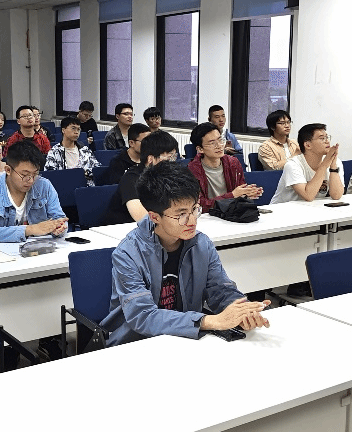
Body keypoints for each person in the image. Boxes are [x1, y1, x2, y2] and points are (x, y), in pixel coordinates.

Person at [100, 160, 270, 346]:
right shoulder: (128, 254)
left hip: (185, 340)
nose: (192, 221)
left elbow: (220, 289)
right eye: (181, 214)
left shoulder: (201, 244)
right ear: (154, 216)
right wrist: (208, 321)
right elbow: (143, 316)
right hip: (135, 344)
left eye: (195, 209)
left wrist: (241, 310)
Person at [0, 140, 67, 243]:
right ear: (8, 170)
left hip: (39, 247)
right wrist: (30, 229)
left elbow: (59, 218)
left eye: (35, 174)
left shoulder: (44, 186)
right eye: (25, 175)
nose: (31, 180)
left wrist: (59, 228)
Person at [103, 130, 179, 225]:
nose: (172, 163)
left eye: (174, 157)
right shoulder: (131, 178)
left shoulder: (167, 176)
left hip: (155, 227)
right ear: (151, 159)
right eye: (169, 158)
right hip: (123, 228)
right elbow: (143, 218)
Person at [187, 122, 262, 209]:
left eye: (220, 140)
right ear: (200, 149)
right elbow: (199, 204)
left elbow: (239, 190)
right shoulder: (192, 171)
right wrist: (232, 195)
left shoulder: (233, 163)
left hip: (231, 212)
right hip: (208, 215)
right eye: (212, 143)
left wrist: (247, 192)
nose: (219, 146)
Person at [271, 124, 345, 204]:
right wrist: (324, 165)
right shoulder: (293, 165)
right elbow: (308, 196)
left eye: (327, 137)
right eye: (322, 138)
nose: (327, 141)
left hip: (311, 207)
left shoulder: (334, 162)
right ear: (308, 145)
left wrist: (333, 166)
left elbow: (336, 195)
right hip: (282, 209)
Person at [44, 117, 101, 186]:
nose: (76, 132)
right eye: (73, 128)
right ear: (63, 130)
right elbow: (50, 175)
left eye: (78, 129)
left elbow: (97, 169)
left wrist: (86, 173)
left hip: (86, 186)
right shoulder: (54, 152)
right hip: (64, 186)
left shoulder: (85, 150)